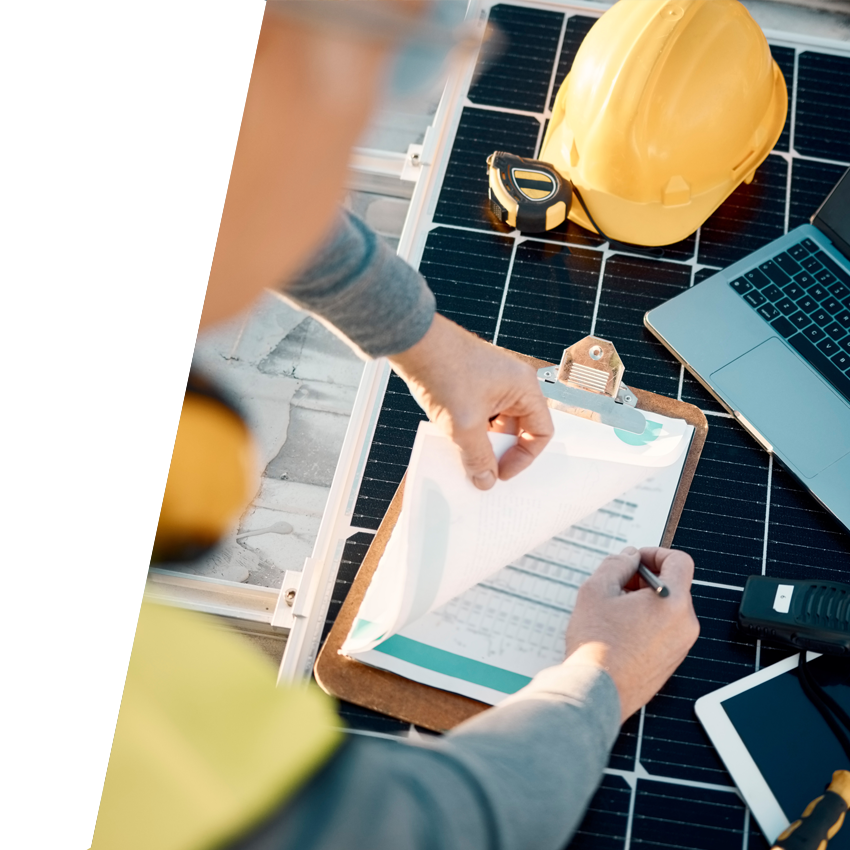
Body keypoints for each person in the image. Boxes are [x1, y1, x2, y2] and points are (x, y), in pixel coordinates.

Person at [91, 5, 700, 849]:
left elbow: (239, 177)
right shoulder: (132, 733)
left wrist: (423, 340)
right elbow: (437, 827)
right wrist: (599, 675)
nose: (347, 162)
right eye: (396, 68)